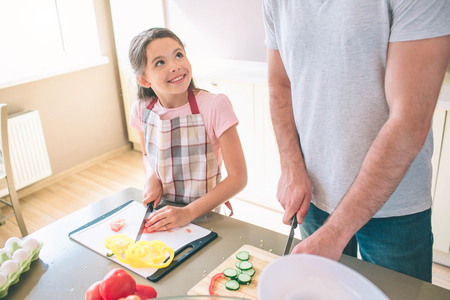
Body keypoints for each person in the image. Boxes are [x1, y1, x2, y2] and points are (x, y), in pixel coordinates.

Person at [263, 0, 450, 282]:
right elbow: (280, 83)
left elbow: (409, 120)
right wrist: (291, 165)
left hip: (394, 207)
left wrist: (337, 232)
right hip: (313, 193)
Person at [128, 28, 247, 232]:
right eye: (160, 62)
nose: (175, 66)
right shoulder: (141, 109)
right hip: (162, 212)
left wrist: (188, 213)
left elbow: (239, 178)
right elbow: (147, 155)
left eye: (178, 55)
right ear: (144, 80)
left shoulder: (214, 105)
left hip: (205, 214)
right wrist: (152, 178)